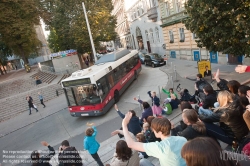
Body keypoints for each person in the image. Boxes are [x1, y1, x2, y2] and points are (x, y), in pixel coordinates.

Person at [122, 113, 187, 166]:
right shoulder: (182, 139)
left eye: (154, 129)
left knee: (142, 162)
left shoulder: (159, 148)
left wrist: (124, 125)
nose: (153, 130)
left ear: (160, 132)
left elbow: (131, 144)